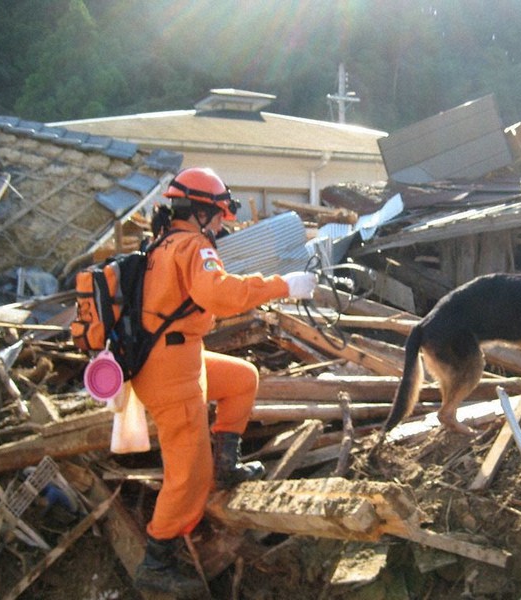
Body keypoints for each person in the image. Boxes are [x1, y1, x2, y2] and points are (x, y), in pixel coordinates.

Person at [131, 167, 317, 598]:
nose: (220, 225)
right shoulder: (193, 246)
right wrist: (282, 285)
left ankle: (226, 464)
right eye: (217, 215)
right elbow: (219, 294)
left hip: (178, 357)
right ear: (199, 211)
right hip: (170, 373)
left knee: (240, 378)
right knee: (187, 478)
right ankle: (156, 562)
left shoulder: (164, 242)